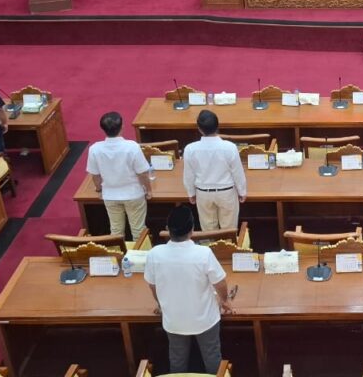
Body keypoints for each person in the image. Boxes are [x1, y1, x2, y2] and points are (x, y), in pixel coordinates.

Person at [145, 205, 233, 375]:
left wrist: (160, 304)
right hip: (205, 320)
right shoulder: (203, 253)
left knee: (177, 359)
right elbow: (220, 282)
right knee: (212, 357)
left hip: (173, 320)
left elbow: (152, 284)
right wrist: (225, 300)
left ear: (167, 229)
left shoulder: (154, 254)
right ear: (192, 230)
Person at [86, 112, 153, 241]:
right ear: (122, 126)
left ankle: (118, 258)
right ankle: (139, 259)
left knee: (116, 231)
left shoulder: (95, 149)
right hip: (134, 195)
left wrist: (99, 190)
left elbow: (95, 175)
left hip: (110, 195)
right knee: (139, 230)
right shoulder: (132, 146)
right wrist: (148, 190)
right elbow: (142, 173)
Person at [183, 110, 247, 230]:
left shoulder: (190, 149)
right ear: (218, 126)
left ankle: (211, 249)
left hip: (203, 193)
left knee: (208, 231)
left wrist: (190, 193)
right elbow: (237, 172)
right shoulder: (230, 147)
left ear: (199, 129)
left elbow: (189, 175)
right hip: (226, 192)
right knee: (228, 231)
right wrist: (242, 191)